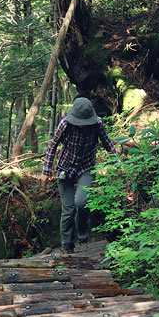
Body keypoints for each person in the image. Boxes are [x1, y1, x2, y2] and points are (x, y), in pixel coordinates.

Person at [40, 97, 119, 254]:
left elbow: (108, 142)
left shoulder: (97, 124)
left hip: (87, 167)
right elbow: (52, 145)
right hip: (65, 168)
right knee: (68, 209)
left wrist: (117, 162)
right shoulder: (65, 124)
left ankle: (83, 233)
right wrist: (46, 171)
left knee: (81, 202)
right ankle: (67, 247)